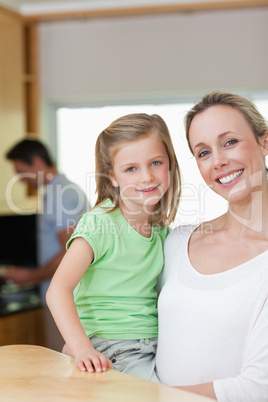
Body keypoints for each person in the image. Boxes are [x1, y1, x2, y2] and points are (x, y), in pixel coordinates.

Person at [46, 113, 181, 380]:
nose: (146, 177)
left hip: (152, 345)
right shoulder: (99, 223)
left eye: (156, 162)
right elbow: (57, 290)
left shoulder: (163, 233)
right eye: (131, 168)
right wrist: (82, 348)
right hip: (112, 347)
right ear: (113, 177)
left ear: (170, 165)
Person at [155, 92, 268, 401]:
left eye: (229, 142)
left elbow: (258, 388)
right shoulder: (178, 242)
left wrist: (140, 396)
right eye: (203, 152)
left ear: (264, 142)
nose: (218, 161)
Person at [3, 139, 90, 350]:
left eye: (22, 172)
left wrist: (31, 276)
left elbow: (69, 252)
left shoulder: (60, 195)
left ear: (37, 162)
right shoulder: (61, 190)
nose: (20, 180)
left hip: (65, 301)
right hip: (65, 298)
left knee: (65, 366)